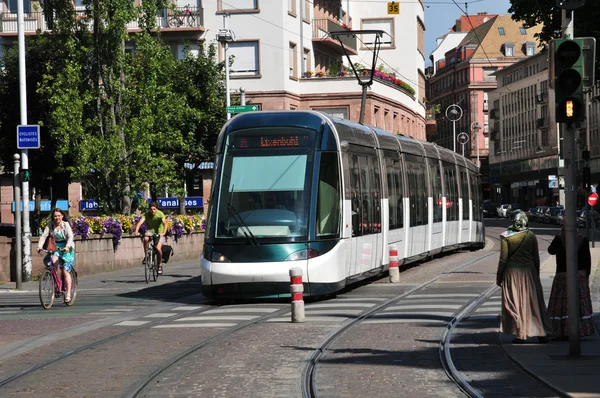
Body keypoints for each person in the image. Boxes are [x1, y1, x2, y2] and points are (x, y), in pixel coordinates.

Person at [496, 210, 553, 344]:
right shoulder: (531, 235)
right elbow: (536, 257)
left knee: (515, 303)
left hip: (512, 274)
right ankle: (541, 332)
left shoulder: (506, 237)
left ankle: (520, 334)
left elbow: (503, 259)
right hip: (529, 272)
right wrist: (536, 274)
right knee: (534, 304)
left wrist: (499, 277)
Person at [547, 225, 596, 340]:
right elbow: (587, 260)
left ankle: (561, 329)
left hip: (562, 275)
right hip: (579, 276)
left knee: (561, 304)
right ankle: (580, 329)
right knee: (578, 302)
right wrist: (586, 275)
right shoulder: (582, 239)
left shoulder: (559, 238)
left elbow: (550, 251)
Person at [37, 208, 76, 303]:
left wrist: (67, 247)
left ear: (62, 216)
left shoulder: (66, 225)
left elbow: (70, 236)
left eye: (59, 215)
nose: (57, 217)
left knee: (65, 270)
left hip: (67, 248)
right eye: (55, 216)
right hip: (56, 248)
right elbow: (44, 236)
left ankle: (68, 294)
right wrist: (39, 246)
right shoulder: (50, 224)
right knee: (53, 264)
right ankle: (56, 285)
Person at [134, 202, 168, 274]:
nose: (152, 211)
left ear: (157, 209)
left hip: (159, 232)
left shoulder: (160, 214)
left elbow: (165, 223)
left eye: (154, 209)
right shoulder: (147, 214)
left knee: (158, 249)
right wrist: (136, 231)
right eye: (151, 209)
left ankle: (160, 264)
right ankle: (147, 255)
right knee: (145, 239)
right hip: (150, 231)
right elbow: (140, 223)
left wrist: (163, 233)